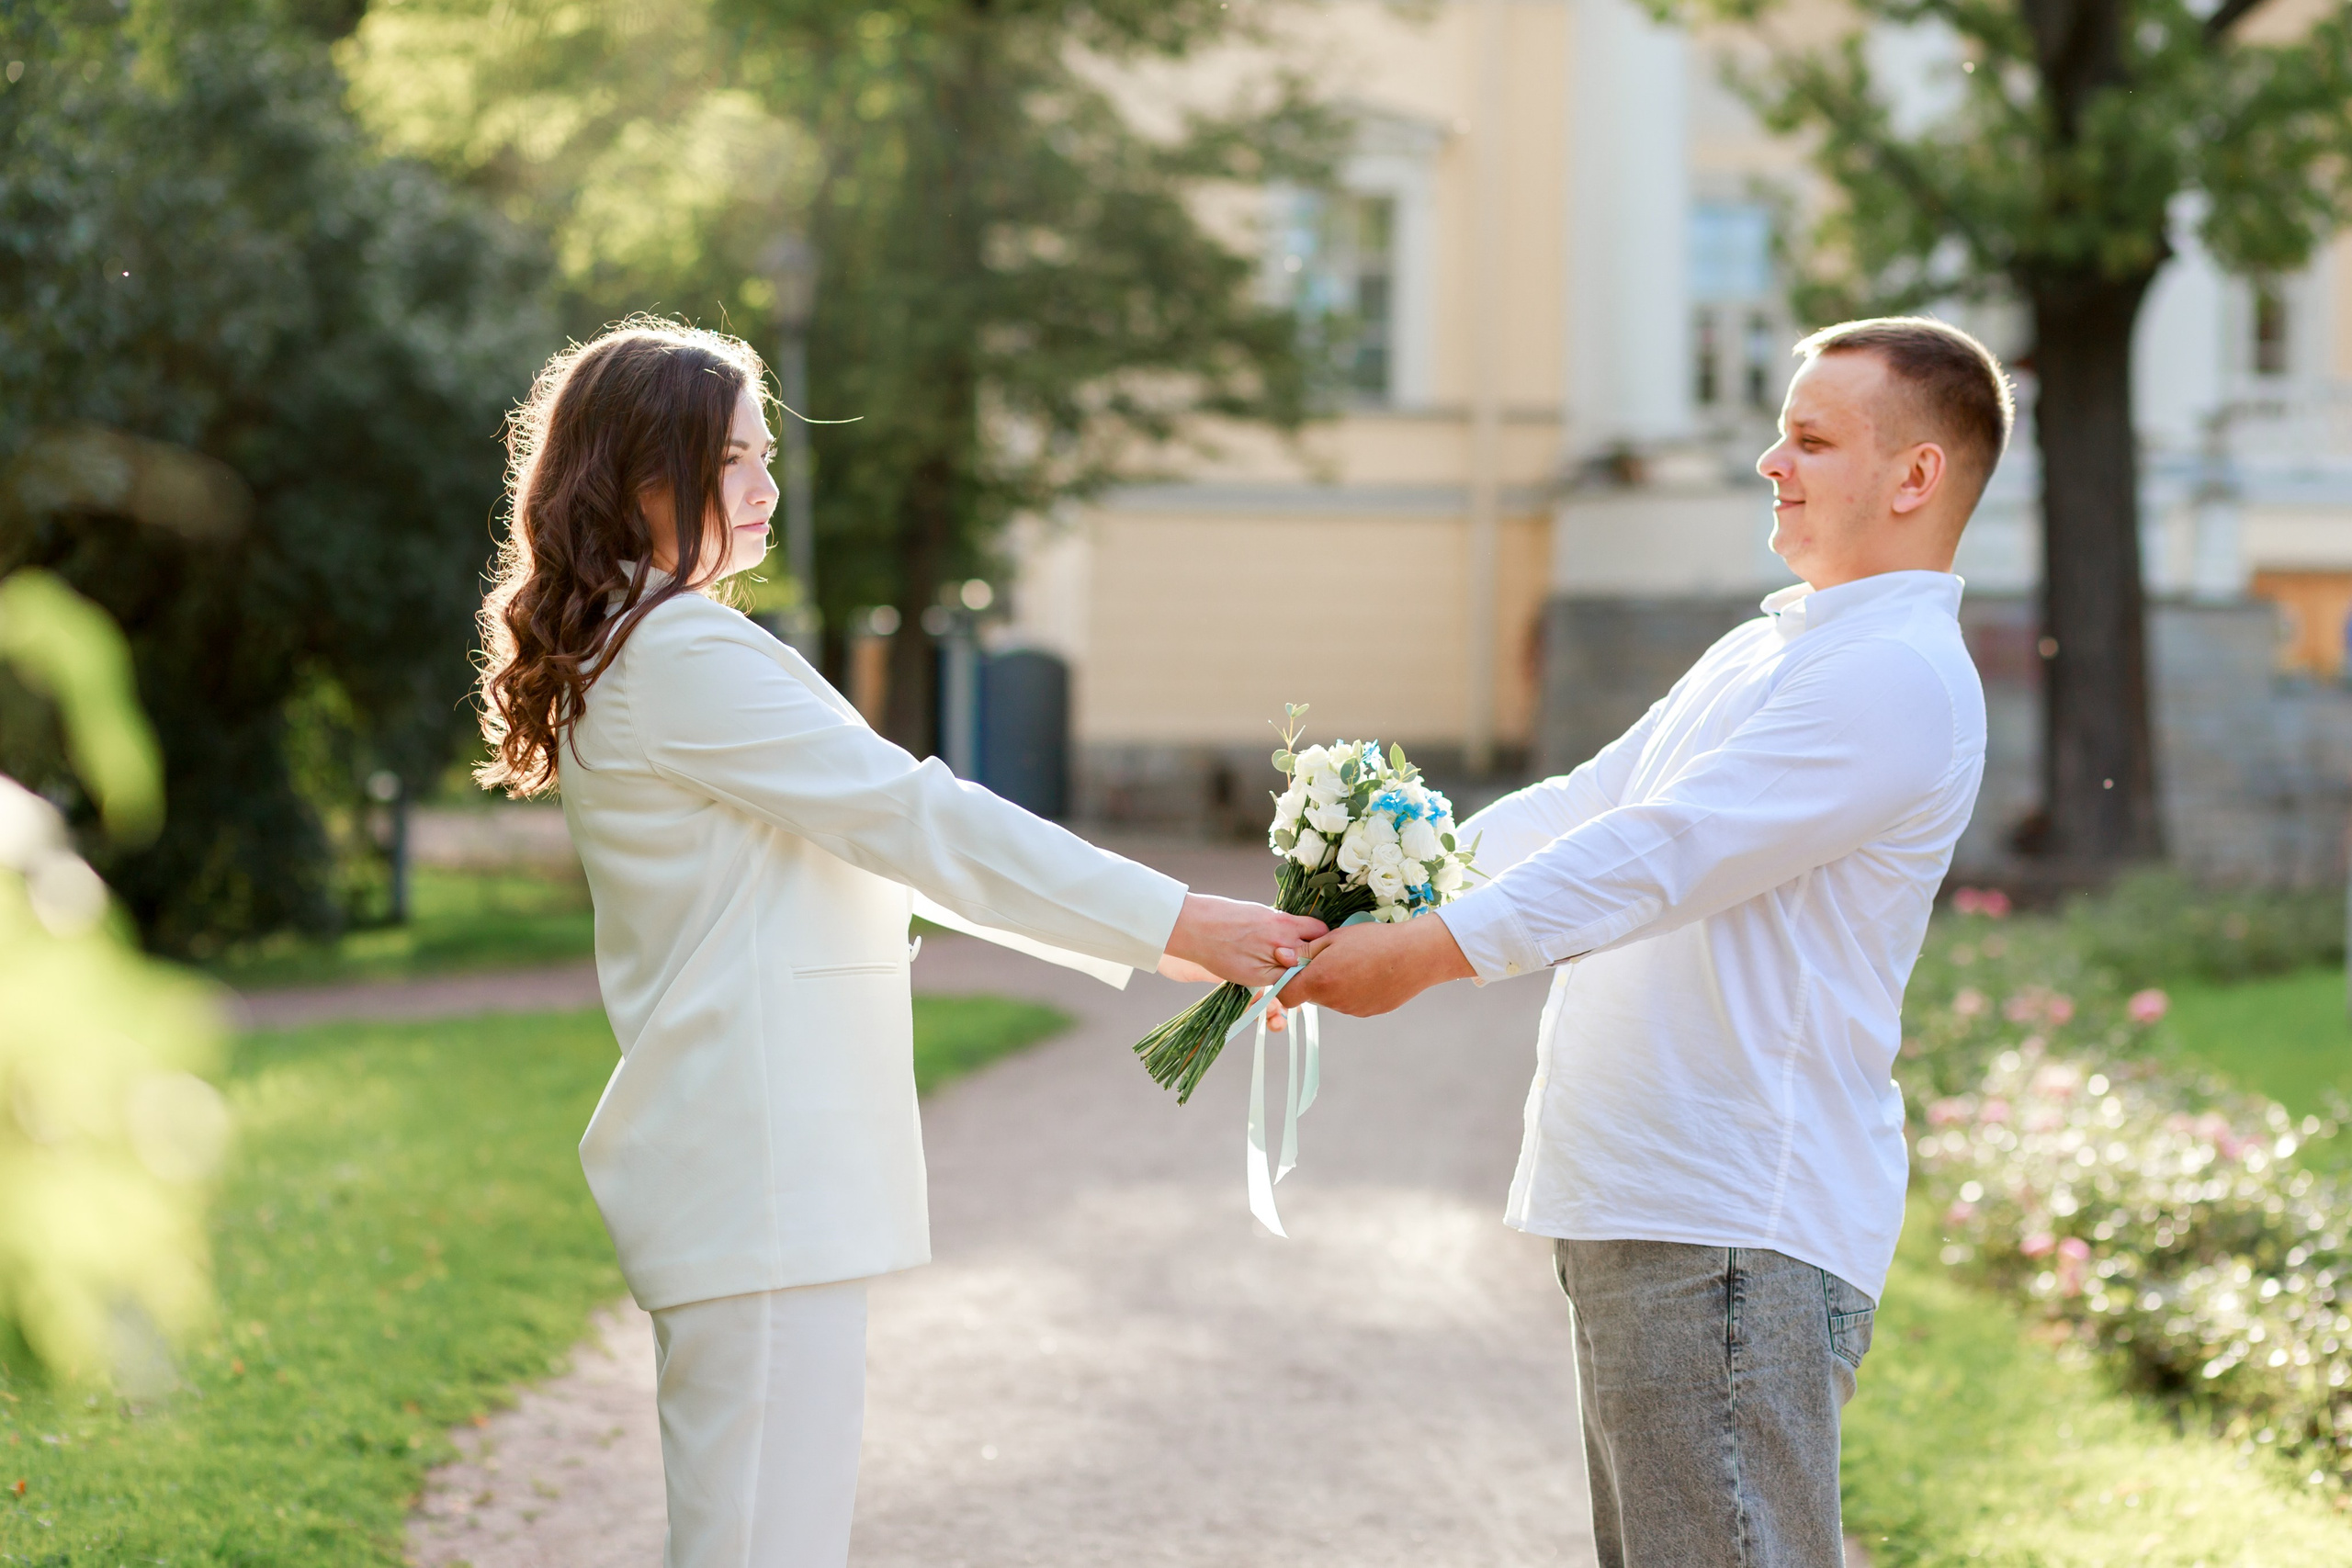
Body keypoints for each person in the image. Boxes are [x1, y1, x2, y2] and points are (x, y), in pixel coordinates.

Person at [474, 317, 1325, 1568]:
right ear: (637, 479)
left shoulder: (645, 642)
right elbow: (915, 817)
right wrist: (1179, 923)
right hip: (756, 1168)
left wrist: (1167, 938)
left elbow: (893, 839)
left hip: (748, 1169)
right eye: (730, 462)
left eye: (768, 455)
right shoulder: (682, 653)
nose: (766, 485)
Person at [1283, 316, 2007, 1566]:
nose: (1773, 462)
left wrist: (1429, 954)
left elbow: (1666, 852)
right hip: (1653, 1201)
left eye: (1812, 439)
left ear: (1914, 477)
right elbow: (1588, 803)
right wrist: (1388, 896)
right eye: (1781, 432)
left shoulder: (1892, 675)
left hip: (1732, 1222)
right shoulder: (1769, 647)